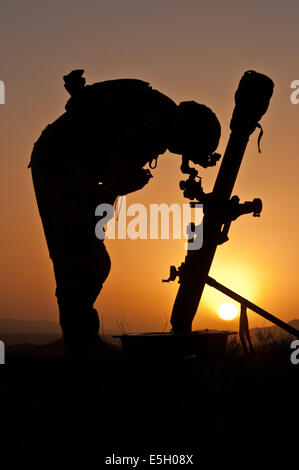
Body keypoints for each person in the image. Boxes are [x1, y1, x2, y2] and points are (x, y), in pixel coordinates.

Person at [29, 69, 221, 357]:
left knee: (78, 257)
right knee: (85, 259)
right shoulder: (162, 122)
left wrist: (114, 191)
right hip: (62, 164)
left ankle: (80, 344)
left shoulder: (157, 110)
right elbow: (116, 168)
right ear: (191, 132)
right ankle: (82, 348)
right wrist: (121, 190)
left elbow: (112, 164)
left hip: (57, 160)